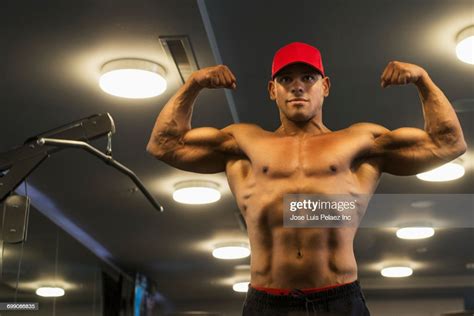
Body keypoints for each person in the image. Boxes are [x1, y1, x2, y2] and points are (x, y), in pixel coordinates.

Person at [146, 42, 466, 315]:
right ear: (273, 90)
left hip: (339, 299)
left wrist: (423, 81)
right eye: (286, 79)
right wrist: (193, 84)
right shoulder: (243, 143)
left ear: (324, 86)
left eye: (308, 77)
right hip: (266, 301)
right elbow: (163, 144)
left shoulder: (360, 142)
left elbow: (447, 143)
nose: (297, 86)